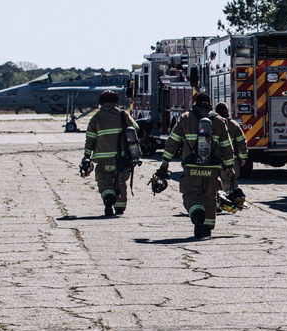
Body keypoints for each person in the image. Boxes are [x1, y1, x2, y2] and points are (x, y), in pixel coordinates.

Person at [155, 91, 234, 238]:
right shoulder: (219, 120)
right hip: (212, 168)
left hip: (192, 167)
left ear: (195, 103)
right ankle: (207, 227)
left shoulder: (185, 118)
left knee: (191, 194)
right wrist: (230, 168)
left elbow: (172, 143)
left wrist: (164, 163)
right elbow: (227, 147)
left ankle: (197, 214)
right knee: (210, 196)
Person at [81, 90, 139, 217]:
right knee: (120, 182)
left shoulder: (96, 118)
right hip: (122, 158)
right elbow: (136, 129)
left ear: (101, 103)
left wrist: (86, 156)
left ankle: (108, 198)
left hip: (103, 160)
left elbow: (90, 139)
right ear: (115, 102)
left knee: (104, 181)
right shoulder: (123, 115)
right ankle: (119, 208)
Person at [215, 102, 248, 197]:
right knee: (230, 183)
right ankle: (227, 202)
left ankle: (216, 204)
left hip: (215, 161)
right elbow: (242, 142)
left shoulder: (212, 123)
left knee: (214, 183)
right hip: (231, 161)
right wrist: (243, 157)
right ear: (227, 111)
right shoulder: (234, 125)